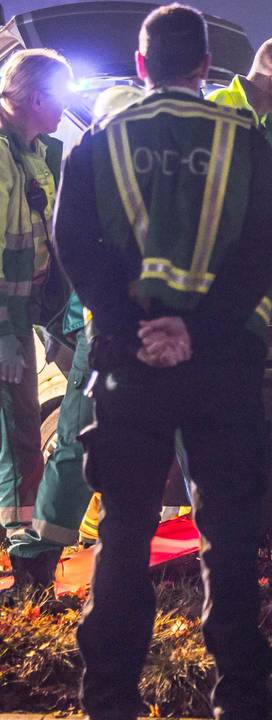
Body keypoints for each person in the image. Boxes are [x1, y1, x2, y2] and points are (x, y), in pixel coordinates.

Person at [53, 5, 272, 717]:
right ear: (207, 70)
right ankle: (242, 701)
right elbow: (264, 250)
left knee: (125, 530)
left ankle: (111, 702)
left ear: (142, 64)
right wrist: (201, 332)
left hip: (129, 365)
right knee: (229, 533)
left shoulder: (99, 136)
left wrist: (131, 327)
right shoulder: (246, 139)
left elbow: (73, 244)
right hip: (224, 368)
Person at [3, 84, 143, 594]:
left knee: (77, 447)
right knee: (81, 447)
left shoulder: (90, 179)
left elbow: (74, 261)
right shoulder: (162, 180)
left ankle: (38, 564)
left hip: (105, 334)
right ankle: (39, 561)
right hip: (135, 335)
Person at [0, 49, 73, 592]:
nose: (65, 108)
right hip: (5, 318)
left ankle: (26, 557)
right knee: (16, 435)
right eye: (62, 97)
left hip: (21, 316)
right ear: (39, 98)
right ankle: (27, 564)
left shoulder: (30, 150)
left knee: (20, 433)